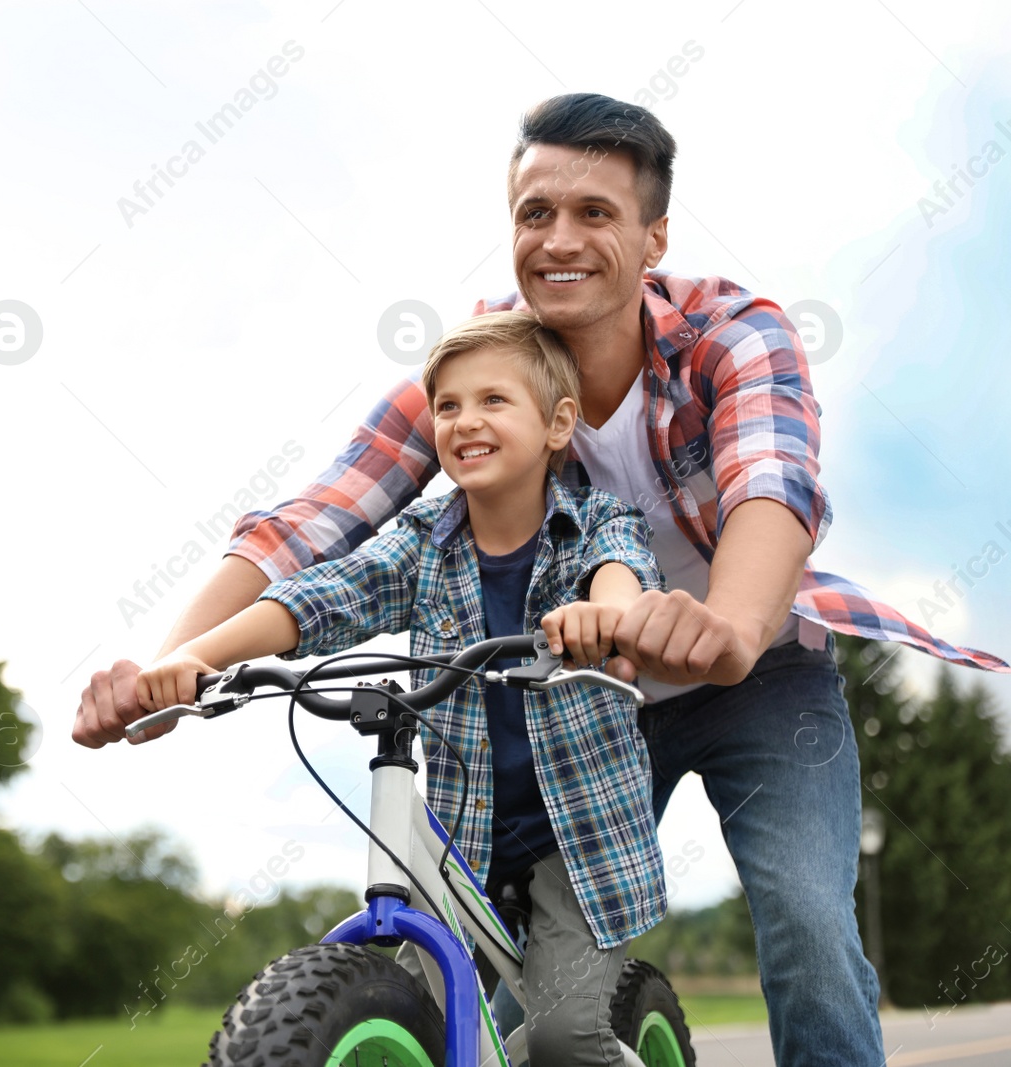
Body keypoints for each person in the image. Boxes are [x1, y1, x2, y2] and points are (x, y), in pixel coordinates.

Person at [77, 93, 1011, 1065]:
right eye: (535, 213)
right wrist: (169, 670)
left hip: (755, 674)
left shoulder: (729, 331)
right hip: (567, 695)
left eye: (594, 213)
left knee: (809, 925)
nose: (558, 239)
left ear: (652, 237)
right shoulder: (490, 368)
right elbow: (318, 521)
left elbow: (769, 484)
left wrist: (727, 625)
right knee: (492, 969)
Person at [137, 311, 665, 1062]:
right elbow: (319, 597)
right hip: (464, 835)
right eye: (447, 406)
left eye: (493, 401)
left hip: (577, 839)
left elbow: (621, 572)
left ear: (558, 424)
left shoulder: (599, 518)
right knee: (419, 1014)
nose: (465, 421)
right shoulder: (423, 544)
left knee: (557, 1036)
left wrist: (605, 614)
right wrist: (195, 657)